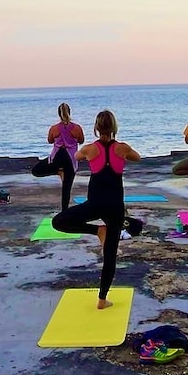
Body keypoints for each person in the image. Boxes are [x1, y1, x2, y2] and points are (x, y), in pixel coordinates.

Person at [51, 110, 141, 309]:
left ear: (96, 128)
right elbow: (137, 157)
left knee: (58, 222)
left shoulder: (90, 149)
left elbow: (76, 155)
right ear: (115, 127)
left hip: (95, 205)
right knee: (110, 255)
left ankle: (96, 230)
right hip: (115, 207)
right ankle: (102, 299)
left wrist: (87, 154)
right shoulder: (122, 148)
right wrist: (123, 153)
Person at [32, 103, 86, 213]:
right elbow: (81, 141)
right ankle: (64, 213)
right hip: (70, 160)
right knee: (66, 189)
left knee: (36, 170)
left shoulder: (54, 128)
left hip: (56, 159)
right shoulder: (77, 128)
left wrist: (59, 139)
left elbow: (50, 140)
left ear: (58, 114)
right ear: (69, 112)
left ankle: (58, 170)